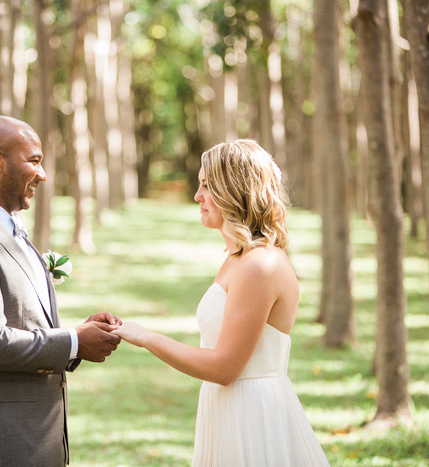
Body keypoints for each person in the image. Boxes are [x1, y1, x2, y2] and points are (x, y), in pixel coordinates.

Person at [113, 140, 329, 466]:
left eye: (205, 186)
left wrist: (146, 337)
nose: (197, 196)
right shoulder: (237, 258)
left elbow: (224, 367)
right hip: (227, 407)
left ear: (234, 191)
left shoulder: (260, 264)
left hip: (252, 416)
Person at [0, 115, 122, 467]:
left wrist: (79, 333)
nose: (43, 174)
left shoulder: (10, 230)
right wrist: (75, 341)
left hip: (37, 439)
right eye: (34, 160)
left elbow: (24, 322)